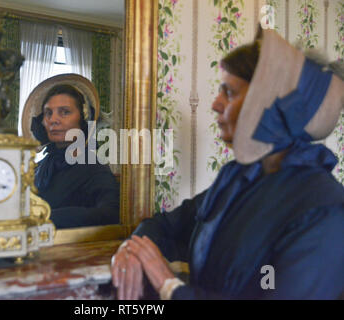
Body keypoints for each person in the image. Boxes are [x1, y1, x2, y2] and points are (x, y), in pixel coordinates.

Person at [111, 28, 344, 300]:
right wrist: (131, 250)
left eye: (230, 93)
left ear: (270, 105)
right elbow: (164, 226)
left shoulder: (324, 210)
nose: (215, 104)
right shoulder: (237, 178)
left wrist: (169, 286)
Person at [23, 74, 120, 229]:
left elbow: (110, 213)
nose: (53, 119)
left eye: (65, 112)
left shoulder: (93, 167)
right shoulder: (40, 167)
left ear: (83, 120)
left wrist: (47, 216)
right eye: (48, 113)